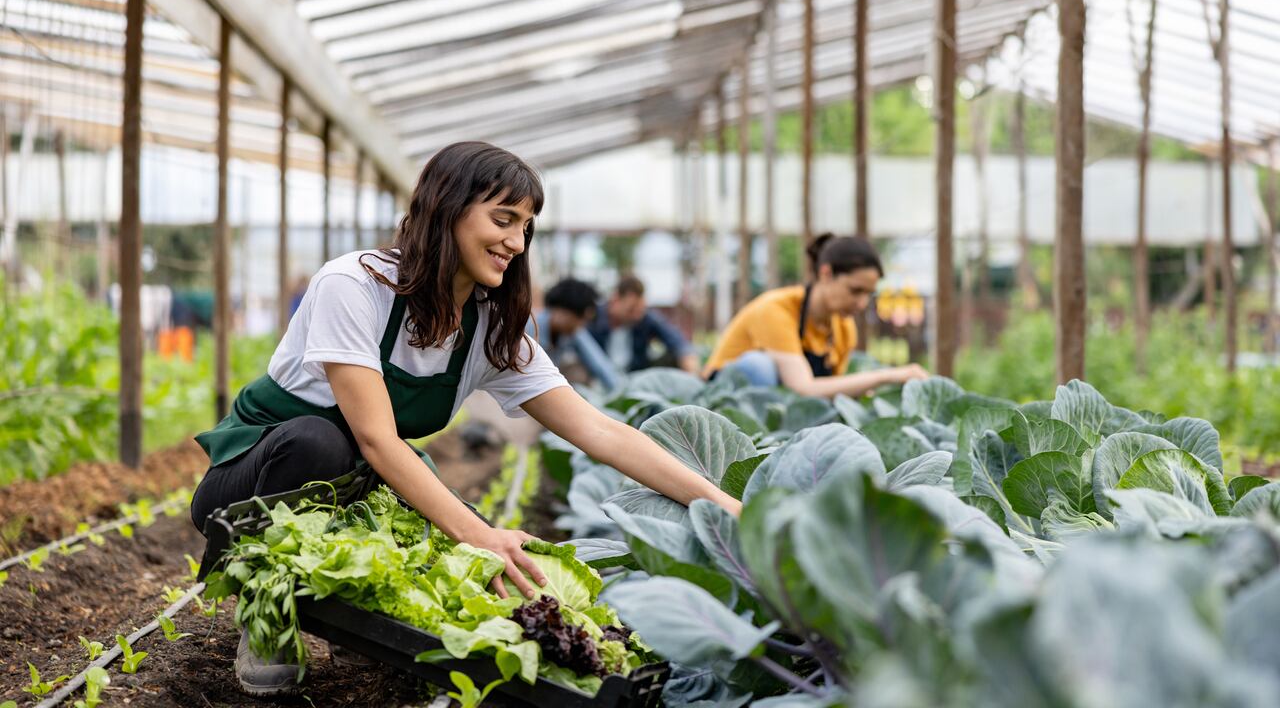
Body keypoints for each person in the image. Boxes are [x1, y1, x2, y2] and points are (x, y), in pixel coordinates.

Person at [189, 142, 740, 695]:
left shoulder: (488, 328)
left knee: (464, 560)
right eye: (502, 220)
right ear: (446, 208)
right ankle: (266, 611)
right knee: (320, 442)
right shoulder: (354, 286)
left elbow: (599, 432)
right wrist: (481, 534)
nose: (515, 242)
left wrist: (727, 507)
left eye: (526, 227)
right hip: (249, 490)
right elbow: (378, 441)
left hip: (357, 492)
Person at [703, 233, 928, 396]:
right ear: (826, 273)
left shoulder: (843, 327)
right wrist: (886, 376)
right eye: (855, 290)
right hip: (722, 403)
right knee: (758, 366)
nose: (861, 303)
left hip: (779, 410)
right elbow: (804, 388)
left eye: (868, 294)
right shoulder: (774, 309)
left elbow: (830, 392)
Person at [586, 275, 700, 376]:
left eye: (640, 310)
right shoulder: (592, 317)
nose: (636, 316)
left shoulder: (644, 319)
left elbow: (677, 342)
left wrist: (691, 368)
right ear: (615, 299)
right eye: (631, 310)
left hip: (634, 381)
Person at [527, 278, 621, 390]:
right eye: (580, 319)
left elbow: (598, 362)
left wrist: (619, 392)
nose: (581, 325)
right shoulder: (528, 329)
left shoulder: (572, 332)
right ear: (562, 310)